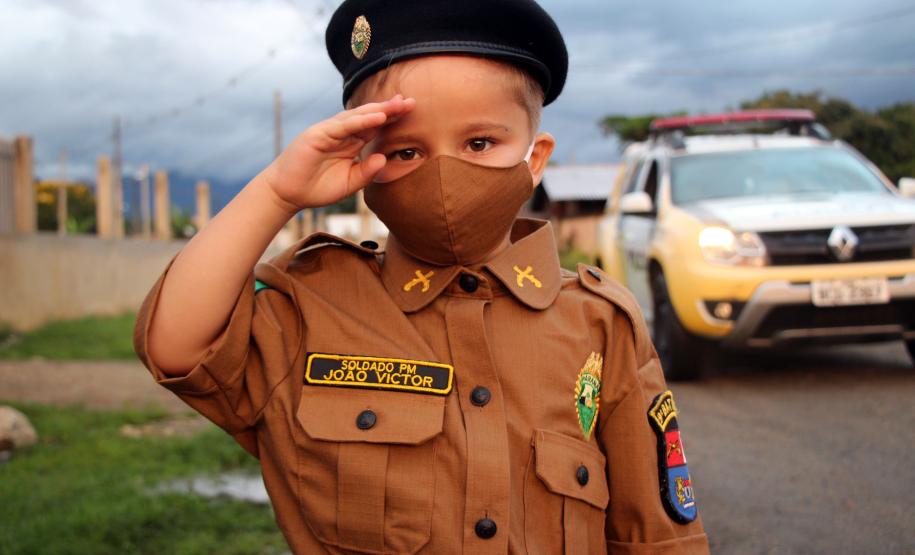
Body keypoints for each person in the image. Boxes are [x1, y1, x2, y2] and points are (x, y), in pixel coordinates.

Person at [133, 0, 710, 553]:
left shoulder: (599, 322)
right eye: (405, 152)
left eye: (480, 142)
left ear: (534, 159)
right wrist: (279, 192)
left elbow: (656, 536)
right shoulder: (311, 306)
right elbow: (178, 347)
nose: (441, 175)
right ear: (365, 164)